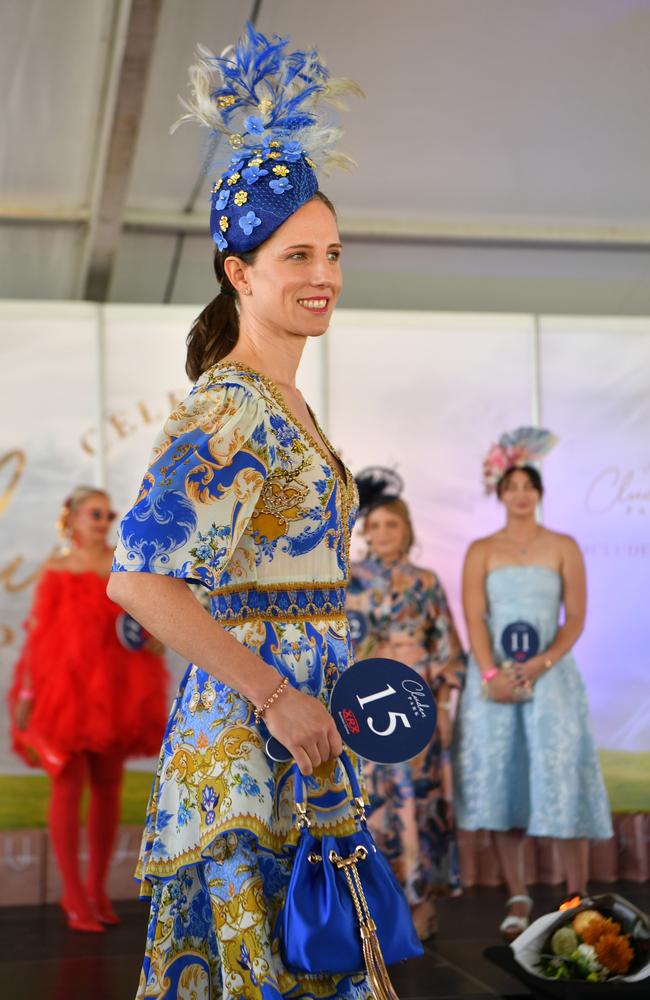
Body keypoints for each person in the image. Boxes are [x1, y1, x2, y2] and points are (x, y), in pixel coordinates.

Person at [107, 25, 373, 1000]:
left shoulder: (287, 400)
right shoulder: (232, 401)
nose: (322, 275)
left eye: (333, 252)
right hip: (251, 737)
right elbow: (136, 577)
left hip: (302, 733)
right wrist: (275, 694)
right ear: (238, 269)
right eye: (296, 253)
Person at [452, 428, 612, 940]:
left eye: (528, 485)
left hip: (551, 677)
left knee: (562, 776)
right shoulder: (481, 549)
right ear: (500, 493)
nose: (520, 493)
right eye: (511, 485)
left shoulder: (563, 545)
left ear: (539, 493)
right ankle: (517, 892)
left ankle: (577, 894)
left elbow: (577, 618)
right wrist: (493, 674)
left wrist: (541, 664)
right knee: (504, 782)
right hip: (495, 681)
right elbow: (474, 617)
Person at [8, 485, 168, 932]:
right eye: (94, 514)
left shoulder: (127, 562)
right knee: (68, 782)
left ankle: (96, 889)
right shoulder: (57, 569)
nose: (102, 521)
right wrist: (26, 695)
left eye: (107, 514)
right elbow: (37, 635)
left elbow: (150, 618)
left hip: (118, 687)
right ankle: (72, 894)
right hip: (67, 692)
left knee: (108, 785)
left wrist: (155, 636)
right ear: (73, 519)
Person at [346, 467, 465, 941]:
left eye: (390, 525)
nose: (381, 534)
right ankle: (374, 904)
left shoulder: (425, 581)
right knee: (371, 803)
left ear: (408, 529)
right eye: (372, 526)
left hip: (415, 703)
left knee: (417, 797)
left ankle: (422, 905)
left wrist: (446, 701)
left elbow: (447, 648)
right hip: (366, 701)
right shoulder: (347, 581)